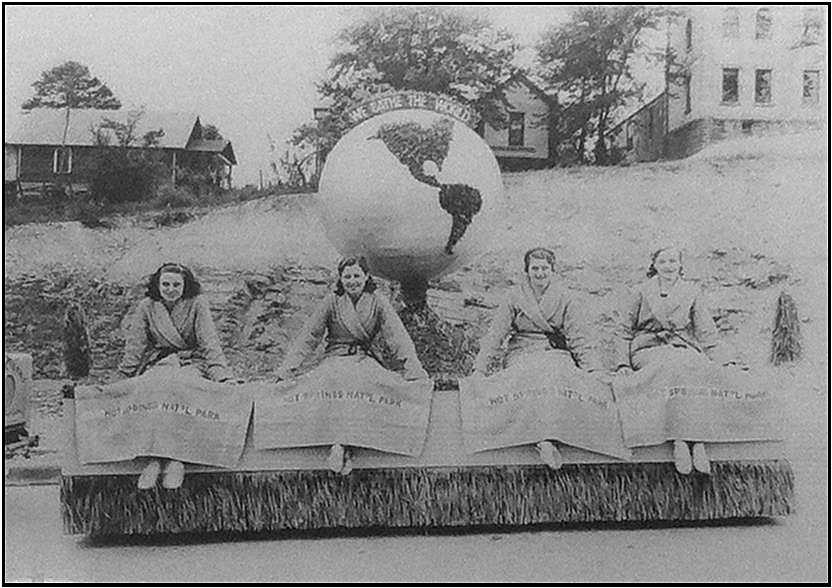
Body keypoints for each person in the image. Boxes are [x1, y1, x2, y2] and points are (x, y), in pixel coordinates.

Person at [274, 256, 429, 474]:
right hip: (335, 358)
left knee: (370, 384)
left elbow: (397, 337)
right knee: (329, 382)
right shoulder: (332, 301)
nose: (352, 281)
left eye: (357, 275)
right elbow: (310, 336)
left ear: (366, 277)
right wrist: (287, 369)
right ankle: (339, 444)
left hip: (365, 358)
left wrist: (413, 369)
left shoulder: (378, 301)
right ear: (340, 278)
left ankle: (349, 444)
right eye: (347, 276)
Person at [471, 247, 611, 469]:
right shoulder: (514, 297)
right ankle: (541, 439)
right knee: (527, 376)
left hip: (553, 351)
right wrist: (480, 369)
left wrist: (593, 369)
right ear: (527, 271)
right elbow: (495, 335)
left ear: (553, 270)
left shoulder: (566, 299)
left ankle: (552, 437)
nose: (539, 273)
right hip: (522, 351)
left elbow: (579, 338)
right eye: (534, 268)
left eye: (544, 268)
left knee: (558, 376)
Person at [613, 245, 744, 475]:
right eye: (663, 262)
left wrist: (724, 361)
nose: (668, 267)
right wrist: (622, 364)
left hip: (682, 346)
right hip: (648, 348)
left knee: (696, 366)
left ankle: (698, 441)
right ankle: (680, 441)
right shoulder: (641, 292)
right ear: (654, 265)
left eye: (673, 262)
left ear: (681, 265)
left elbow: (706, 333)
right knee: (672, 366)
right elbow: (623, 330)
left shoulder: (691, 292)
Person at [118, 262, 235, 490]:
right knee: (151, 386)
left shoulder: (197, 304)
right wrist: (123, 376)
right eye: (166, 284)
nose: (170, 289)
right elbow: (136, 345)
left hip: (191, 362)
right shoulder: (147, 307)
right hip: (160, 363)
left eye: (176, 284)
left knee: (183, 387)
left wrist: (222, 375)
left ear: (185, 286)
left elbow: (209, 340)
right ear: (158, 285)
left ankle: (175, 460)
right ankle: (153, 459)